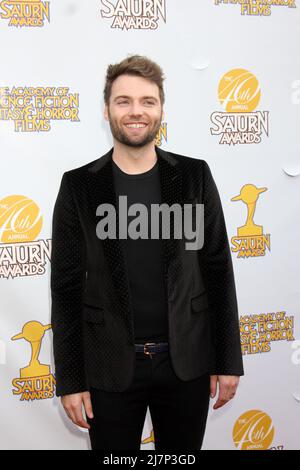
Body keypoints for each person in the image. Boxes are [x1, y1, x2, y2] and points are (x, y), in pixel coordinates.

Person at [51, 54, 244, 450]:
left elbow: (218, 270)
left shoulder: (193, 177)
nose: (136, 111)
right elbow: (66, 289)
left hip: (186, 363)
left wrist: (227, 360)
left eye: (147, 101)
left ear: (160, 110)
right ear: (106, 111)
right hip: (109, 367)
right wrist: (70, 380)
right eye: (123, 101)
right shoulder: (79, 188)